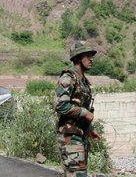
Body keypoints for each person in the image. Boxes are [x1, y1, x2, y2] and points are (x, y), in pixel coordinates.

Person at [55, 41, 101, 177]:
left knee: (78, 173)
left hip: (80, 134)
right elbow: (60, 105)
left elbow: (80, 106)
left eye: (91, 56)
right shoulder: (68, 78)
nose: (91, 59)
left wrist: (90, 129)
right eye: (87, 55)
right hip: (70, 134)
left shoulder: (84, 82)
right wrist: (85, 112)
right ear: (78, 58)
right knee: (78, 174)